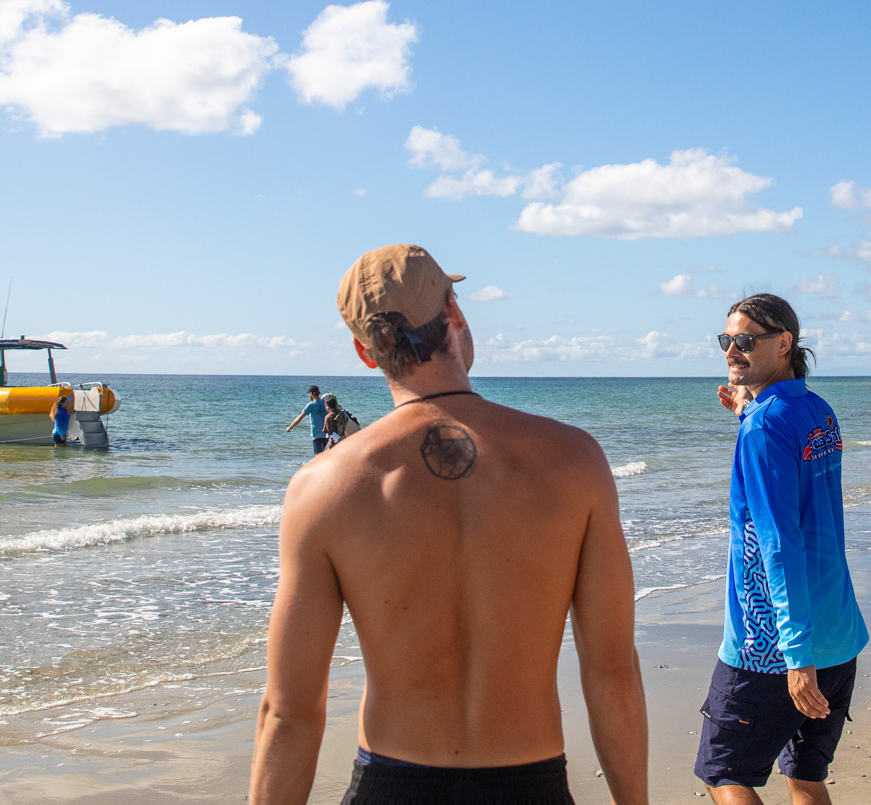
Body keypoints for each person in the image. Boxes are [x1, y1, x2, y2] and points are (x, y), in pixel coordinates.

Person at [250, 244, 647, 805]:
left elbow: (289, 712)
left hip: (391, 784)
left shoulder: (324, 488)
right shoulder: (574, 460)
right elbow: (611, 673)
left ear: (365, 352)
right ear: (455, 315)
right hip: (530, 785)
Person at [697, 293, 868, 805]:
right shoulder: (815, 410)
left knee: (726, 774)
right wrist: (750, 412)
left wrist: (796, 656)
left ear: (785, 343)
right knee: (805, 777)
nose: (732, 350)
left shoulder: (766, 425)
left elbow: (779, 545)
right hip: (838, 638)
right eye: (726, 339)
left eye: (746, 340)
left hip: (772, 650)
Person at [285, 384, 331, 453]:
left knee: (318, 456)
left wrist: (290, 427)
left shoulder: (311, 405)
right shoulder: (326, 403)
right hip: (327, 434)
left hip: (317, 435)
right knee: (321, 454)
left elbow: (299, 418)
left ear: (311, 394)